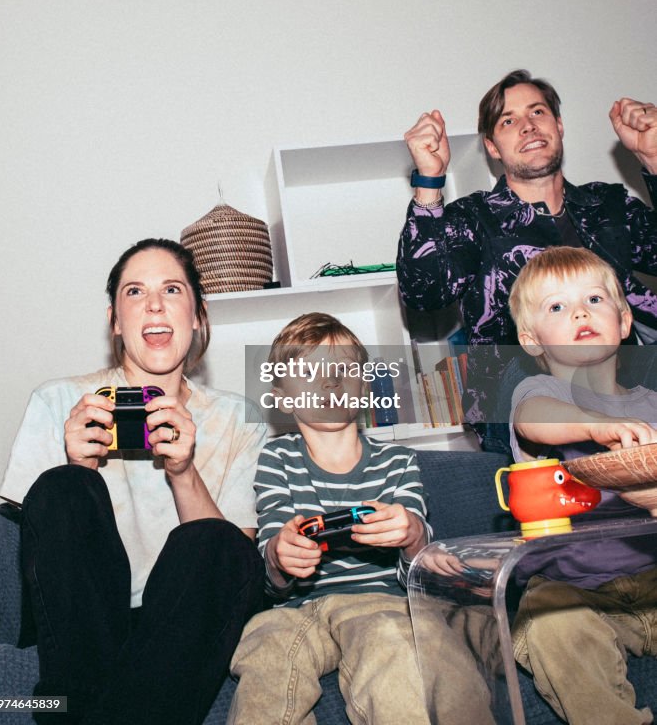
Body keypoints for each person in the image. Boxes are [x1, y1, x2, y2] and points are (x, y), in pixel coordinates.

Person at [0, 238, 266, 725]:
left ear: (199, 315)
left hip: (180, 621)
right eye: (136, 292)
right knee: (64, 487)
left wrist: (184, 470)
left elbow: (234, 565)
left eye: (172, 289)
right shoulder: (59, 401)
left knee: (219, 542)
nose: (156, 304)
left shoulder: (238, 418)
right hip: (84, 623)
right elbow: (43, 554)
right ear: (116, 322)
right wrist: (78, 464)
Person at [227, 312, 497, 725]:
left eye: (343, 370)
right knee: (263, 646)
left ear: (365, 386)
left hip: (379, 602)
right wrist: (282, 557)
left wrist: (411, 536)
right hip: (298, 610)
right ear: (283, 397)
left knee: (393, 638)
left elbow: (418, 570)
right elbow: (273, 576)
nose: (330, 381)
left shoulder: (398, 461)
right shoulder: (275, 459)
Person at [397, 68, 657, 450]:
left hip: (628, 379)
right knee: (526, 368)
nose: (527, 126)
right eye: (508, 120)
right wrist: (429, 179)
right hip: (523, 396)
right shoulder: (473, 218)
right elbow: (424, 294)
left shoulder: (609, 204)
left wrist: (653, 158)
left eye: (537, 112)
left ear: (559, 125)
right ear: (491, 146)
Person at [508, 246, 657, 725]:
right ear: (531, 340)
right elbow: (536, 422)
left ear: (625, 320)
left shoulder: (652, 403)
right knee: (549, 622)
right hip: (574, 590)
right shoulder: (538, 396)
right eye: (557, 306)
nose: (579, 312)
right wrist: (593, 425)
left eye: (594, 299)